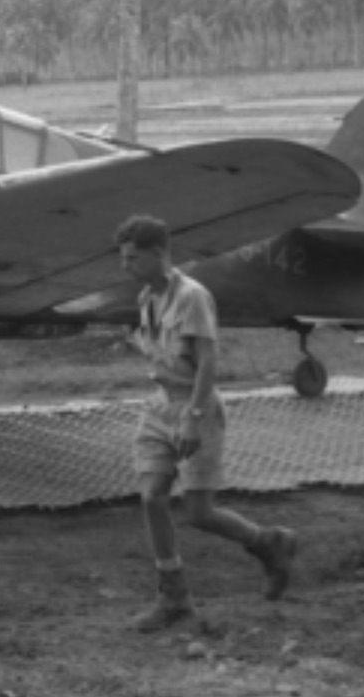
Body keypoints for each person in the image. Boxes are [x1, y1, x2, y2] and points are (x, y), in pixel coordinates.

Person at [115, 214, 297, 631]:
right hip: (160, 403)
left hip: (196, 407)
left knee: (199, 512)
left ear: (159, 254)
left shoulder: (193, 297)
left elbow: (208, 362)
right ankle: (174, 597)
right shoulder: (147, 298)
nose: (125, 267)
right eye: (123, 259)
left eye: (132, 258)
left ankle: (268, 543)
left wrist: (194, 420)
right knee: (151, 496)